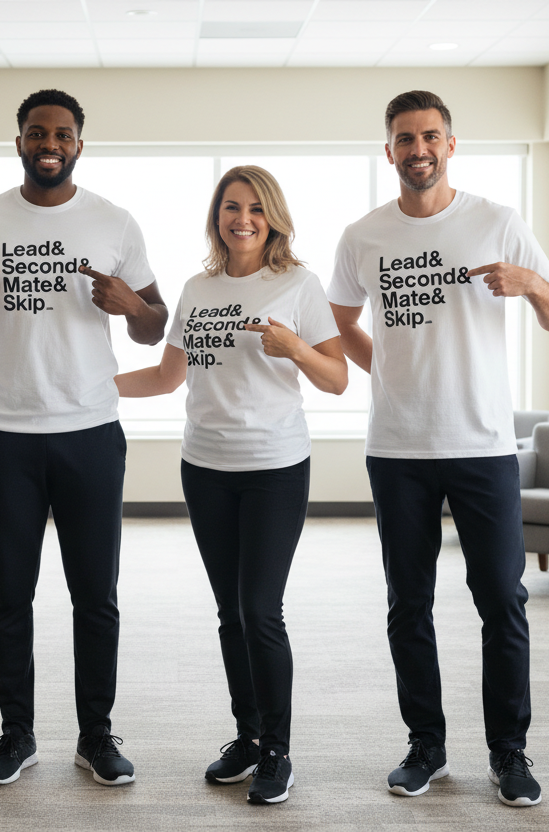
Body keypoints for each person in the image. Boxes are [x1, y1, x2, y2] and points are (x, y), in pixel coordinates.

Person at [328, 91, 549, 808]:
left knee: (501, 598)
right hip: (398, 448)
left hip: (483, 445)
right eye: (405, 139)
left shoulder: (496, 222)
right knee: (409, 604)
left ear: (450, 144)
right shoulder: (363, 235)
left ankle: (510, 752)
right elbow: (341, 317)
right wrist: (391, 373)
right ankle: (426, 747)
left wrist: (527, 283)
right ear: (389, 152)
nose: (418, 149)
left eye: (430, 136)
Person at [0, 89, 167, 787]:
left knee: (96, 595)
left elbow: (157, 320)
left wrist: (131, 308)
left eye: (61, 133)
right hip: (5, 435)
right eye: (36, 132)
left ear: (79, 144)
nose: (48, 143)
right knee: (9, 595)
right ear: (19, 141)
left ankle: (96, 736)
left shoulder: (113, 221)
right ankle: (16, 734)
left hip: (90, 431)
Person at [116, 166, 347, 804]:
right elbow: (168, 378)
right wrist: (88, 386)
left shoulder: (298, 284)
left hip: (274, 467)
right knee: (229, 613)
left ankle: (278, 750)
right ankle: (247, 737)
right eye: (229, 208)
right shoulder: (197, 289)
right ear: (217, 217)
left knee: (259, 610)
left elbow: (337, 379)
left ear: (272, 216)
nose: (241, 219)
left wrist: (295, 347)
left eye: (253, 208)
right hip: (206, 468)